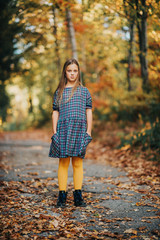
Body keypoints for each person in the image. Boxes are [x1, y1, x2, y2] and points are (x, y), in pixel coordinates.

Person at [49, 58, 93, 208]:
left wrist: (89, 131)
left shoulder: (84, 91)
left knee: (77, 162)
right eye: (69, 71)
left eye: (75, 71)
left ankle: (78, 195)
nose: (72, 74)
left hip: (80, 129)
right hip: (63, 129)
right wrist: (55, 131)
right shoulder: (59, 92)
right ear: (65, 72)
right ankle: (62, 195)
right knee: (63, 162)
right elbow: (55, 112)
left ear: (78, 72)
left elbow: (89, 112)